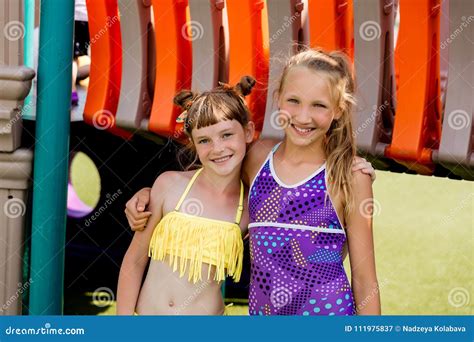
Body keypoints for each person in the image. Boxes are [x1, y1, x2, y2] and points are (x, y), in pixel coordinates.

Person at [125, 48, 380, 315]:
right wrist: (147, 194)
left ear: (338, 109)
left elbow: (364, 281)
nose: (304, 117)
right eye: (294, 101)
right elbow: (210, 180)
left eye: (319, 105)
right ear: (278, 99)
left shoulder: (349, 176)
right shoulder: (257, 159)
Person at [117, 77, 256, 315]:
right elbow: (134, 260)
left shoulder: (250, 207)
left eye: (226, 135)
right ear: (192, 143)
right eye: (204, 140)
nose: (218, 148)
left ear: (248, 132)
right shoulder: (169, 185)